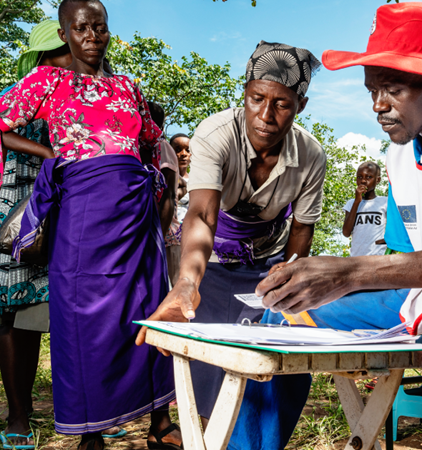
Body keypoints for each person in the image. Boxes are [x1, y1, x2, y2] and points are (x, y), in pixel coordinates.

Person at [140, 3, 422, 448]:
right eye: (372, 89)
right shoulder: (401, 153)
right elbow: (403, 262)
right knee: (284, 309)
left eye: (392, 88)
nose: (378, 104)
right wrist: (320, 277)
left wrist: (350, 271)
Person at [0, 1, 180, 448]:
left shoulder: (127, 85)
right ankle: (90, 431)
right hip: (83, 212)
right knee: (83, 320)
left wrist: (157, 180)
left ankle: (159, 422)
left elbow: (150, 138)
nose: (92, 35)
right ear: (64, 32)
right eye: (81, 27)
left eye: (99, 27)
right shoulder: (47, 81)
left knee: (146, 308)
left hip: (134, 213)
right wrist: (53, 158)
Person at [138, 41, 326, 430]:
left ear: (301, 105)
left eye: (282, 104)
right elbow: (203, 214)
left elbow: (301, 230)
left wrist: (286, 282)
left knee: (267, 369)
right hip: (212, 262)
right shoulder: (215, 134)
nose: (266, 115)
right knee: (207, 370)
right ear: (244, 93)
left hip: (267, 266)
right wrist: (188, 283)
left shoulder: (311, 155)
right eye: (257, 98)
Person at [0, 20, 71, 450]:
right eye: (63, 52)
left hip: (69, 215)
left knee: (73, 317)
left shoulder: (84, 98)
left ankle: (86, 414)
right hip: (19, 218)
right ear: (43, 57)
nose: (75, 58)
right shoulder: (20, 95)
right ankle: (18, 415)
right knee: (14, 317)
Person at [148, 102, 181, 284]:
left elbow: (167, 195)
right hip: (155, 230)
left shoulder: (162, 147)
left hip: (166, 231)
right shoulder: (144, 149)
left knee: (175, 287)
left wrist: (158, 234)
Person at [342, 161, 387, 256]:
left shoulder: (385, 202)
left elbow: (396, 226)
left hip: (378, 256)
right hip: (356, 258)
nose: (363, 181)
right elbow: (346, 232)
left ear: (378, 180)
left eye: (369, 177)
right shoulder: (351, 203)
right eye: (359, 177)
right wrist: (357, 202)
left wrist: (387, 240)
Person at [164, 132, 191, 285]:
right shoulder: (163, 178)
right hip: (170, 240)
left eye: (187, 150)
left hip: (190, 239)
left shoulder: (198, 181)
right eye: (178, 149)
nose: (183, 154)